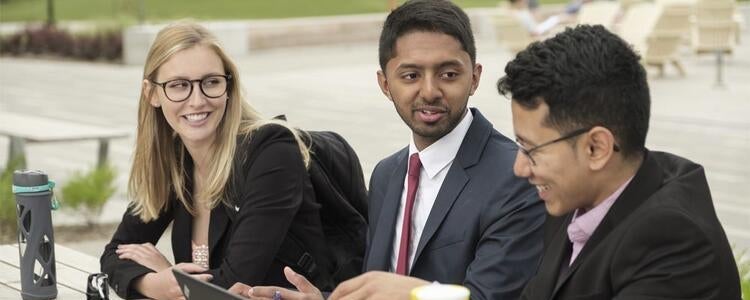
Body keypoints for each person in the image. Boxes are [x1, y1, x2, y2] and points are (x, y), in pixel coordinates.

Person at [232, 1, 546, 299]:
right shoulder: (387, 174)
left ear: (475, 78)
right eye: (410, 75)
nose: (430, 91)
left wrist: (414, 294)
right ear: (385, 84)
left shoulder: (515, 178)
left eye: (448, 74)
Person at [497, 25, 741, 299]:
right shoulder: (577, 196)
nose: (519, 168)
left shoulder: (672, 241)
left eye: (531, 149)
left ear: (596, 148)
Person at [100, 21, 334, 299]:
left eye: (211, 82)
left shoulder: (271, 153)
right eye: (179, 85)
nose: (197, 100)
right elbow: (115, 253)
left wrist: (172, 277)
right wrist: (151, 284)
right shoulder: (176, 160)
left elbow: (233, 287)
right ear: (152, 94)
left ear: (228, 87)